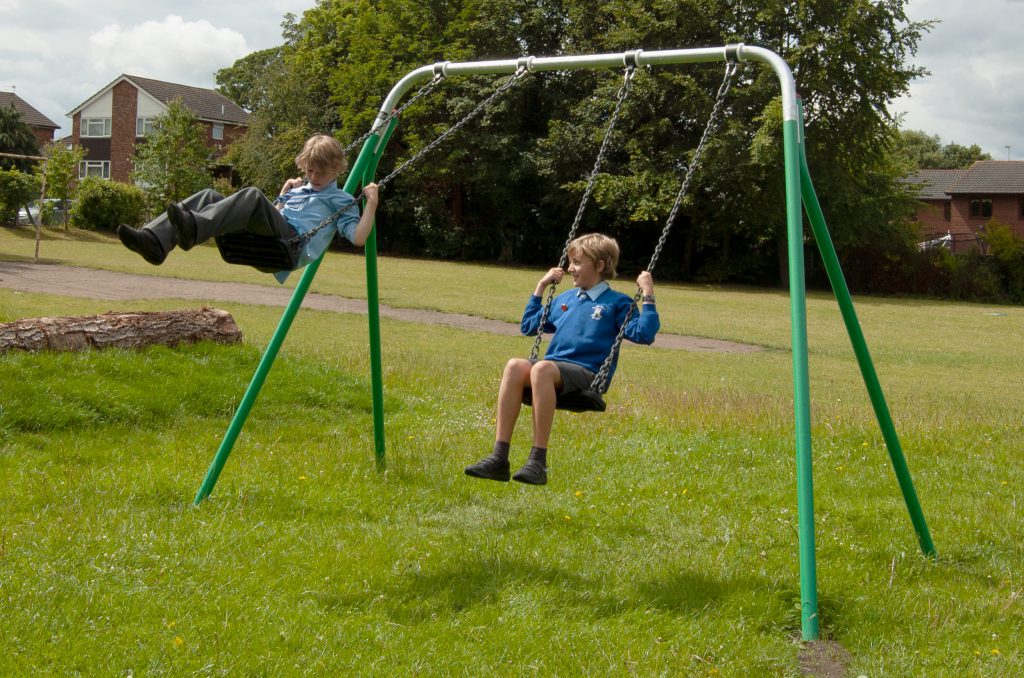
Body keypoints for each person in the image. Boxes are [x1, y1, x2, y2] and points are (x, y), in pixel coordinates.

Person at [465, 233, 660, 486]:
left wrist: (648, 294)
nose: (571, 268)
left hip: (587, 374)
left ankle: (538, 462)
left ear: (600, 266)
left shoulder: (617, 303)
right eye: (570, 262)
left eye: (577, 262)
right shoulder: (566, 299)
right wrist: (540, 287)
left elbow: (644, 334)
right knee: (515, 365)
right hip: (553, 370)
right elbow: (529, 326)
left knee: (542, 369)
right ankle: (499, 458)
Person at [117, 134, 379, 282]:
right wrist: (283, 196)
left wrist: (371, 205)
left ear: (335, 169)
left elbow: (357, 238)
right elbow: (273, 216)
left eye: (320, 172)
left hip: (289, 247)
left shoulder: (341, 200)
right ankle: (155, 241)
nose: (313, 176)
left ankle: (194, 228)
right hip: (268, 242)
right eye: (309, 170)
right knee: (210, 196)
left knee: (252, 196)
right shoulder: (298, 188)